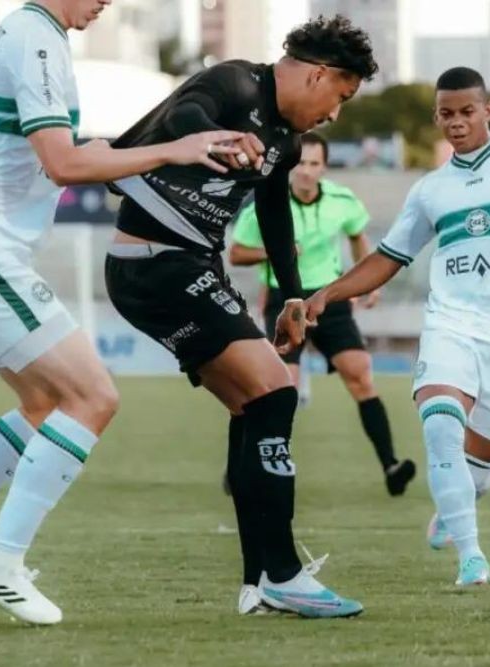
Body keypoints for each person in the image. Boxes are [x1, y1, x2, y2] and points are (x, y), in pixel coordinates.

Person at [0, 0, 246, 625]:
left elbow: (69, 154)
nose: (107, 4)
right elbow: (64, 164)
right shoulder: (35, 36)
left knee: (46, 405)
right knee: (94, 398)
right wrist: (172, 150)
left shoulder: (27, 33)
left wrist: (142, 149)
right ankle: (0, 564)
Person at [105, 16, 377, 618]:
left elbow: (275, 213)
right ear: (319, 74)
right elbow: (183, 118)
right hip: (159, 263)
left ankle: (258, 581)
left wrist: (293, 297)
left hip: (175, 269)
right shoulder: (237, 84)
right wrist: (221, 137)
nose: (336, 113)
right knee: (277, 391)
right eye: (341, 95)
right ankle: (282, 572)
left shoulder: (283, 140)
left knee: (252, 404)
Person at [298, 67, 490, 587]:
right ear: (436, 117)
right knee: (439, 426)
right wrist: (326, 292)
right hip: (451, 324)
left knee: (477, 468)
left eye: (466, 112)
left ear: (488, 110)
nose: (455, 123)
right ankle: (472, 559)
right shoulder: (430, 190)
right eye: (445, 114)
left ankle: (460, 499)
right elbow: (388, 259)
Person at [230, 132, 416, 496]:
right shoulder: (265, 204)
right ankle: (253, 467)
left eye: (314, 164)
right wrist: (276, 252)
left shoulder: (343, 201)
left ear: (324, 167)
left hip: (330, 299)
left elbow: (358, 237)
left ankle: (391, 465)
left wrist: (369, 282)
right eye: (300, 163)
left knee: (361, 375)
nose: (306, 171)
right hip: (287, 300)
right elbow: (237, 253)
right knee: (281, 388)